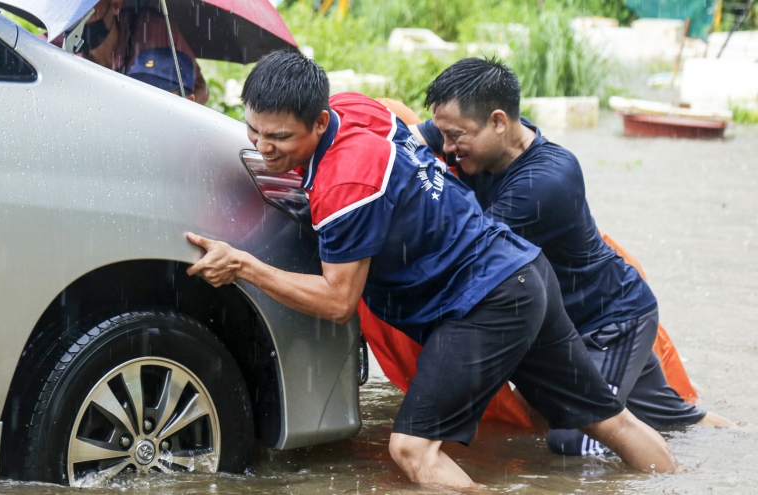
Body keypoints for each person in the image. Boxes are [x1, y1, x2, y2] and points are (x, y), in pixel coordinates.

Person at [185, 50, 678, 490]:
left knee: (412, 449)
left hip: (487, 301)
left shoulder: (345, 185)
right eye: (253, 131)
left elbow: (338, 302)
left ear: (318, 123)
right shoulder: (357, 109)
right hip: (526, 273)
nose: (264, 146)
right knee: (609, 422)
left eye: (279, 137)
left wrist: (245, 265)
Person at [411, 57, 733, 456]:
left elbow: (465, 253)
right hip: (574, 320)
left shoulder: (543, 182)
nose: (446, 148)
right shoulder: (475, 132)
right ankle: (741, 443)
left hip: (608, 326)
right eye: (442, 134)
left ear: (498, 122)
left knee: (577, 441)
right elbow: (402, 141)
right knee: (678, 421)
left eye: (455, 136)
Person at [74, 0, 209, 103]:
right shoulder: (57, 42)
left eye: (86, 12)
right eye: (72, 13)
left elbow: (201, 89)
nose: (76, 20)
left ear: (115, 4)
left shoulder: (155, 30)